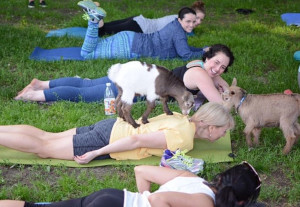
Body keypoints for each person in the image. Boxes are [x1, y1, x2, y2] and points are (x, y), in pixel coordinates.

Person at [0, 102, 234, 164]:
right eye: (223, 131)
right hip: (108, 139)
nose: (222, 136)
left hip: (109, 126)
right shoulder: (183, 138)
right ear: (211, 127)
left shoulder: (180, 116)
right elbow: (136, 140)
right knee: (43, 149)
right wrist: (96, 152)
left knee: (46, 136)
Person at [15, 44, 234, 107]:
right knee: (85, 94)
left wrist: (219, 78)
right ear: (207, 57)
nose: (217, 69)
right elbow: (220, 103)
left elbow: (213, 78)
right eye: (216, 62)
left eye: (223, 67)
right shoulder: (201, 75)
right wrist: (223, 89)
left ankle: (40, 83)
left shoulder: (196, 65)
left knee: (86, 83)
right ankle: (31, 95)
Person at [0, 162, 262, 207]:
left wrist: (142, 199)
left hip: (111, 197)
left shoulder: (191, 179)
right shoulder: (204, 203)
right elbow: (159, 201)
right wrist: (147, 201)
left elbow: (141, 171)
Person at [76, 0, 206, 60]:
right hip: (131, 46)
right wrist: (204, 54)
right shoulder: (179, 33)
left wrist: (202, 49)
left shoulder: (175, 25)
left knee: (94, 45)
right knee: (86, 54)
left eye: (194, 21)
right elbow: (185, 54)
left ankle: (93, 17)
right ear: (179, 20)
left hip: (129, 38)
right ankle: (93, 20)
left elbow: (184, 48)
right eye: (188, 21)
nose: (193, 24)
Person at [96, 1, 205, 36]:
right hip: (140, 27)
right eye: (196, 19)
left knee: (104, 27)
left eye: (201, 20)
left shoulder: (180, 17)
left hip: (138, 20)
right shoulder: (179, 23)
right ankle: (96, 13)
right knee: (102, 32)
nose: (198, 22)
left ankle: (95, 14)